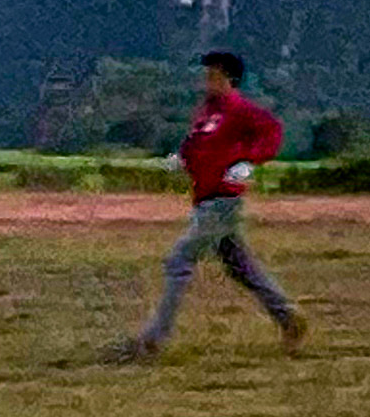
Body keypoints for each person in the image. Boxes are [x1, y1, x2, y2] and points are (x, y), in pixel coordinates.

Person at [123, 51, 304, 360]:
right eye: (207, 74)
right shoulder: (207, 111)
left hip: (222, 200)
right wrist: (181, 158)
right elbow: (196, 143)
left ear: (230, 79)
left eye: (214, 75)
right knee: (240, 267)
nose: (207, 80)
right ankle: (287, 316)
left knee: (179, 260)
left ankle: (154, 338)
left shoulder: (240, 109)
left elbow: (272, 131)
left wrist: (250, 161)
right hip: (205, 198)